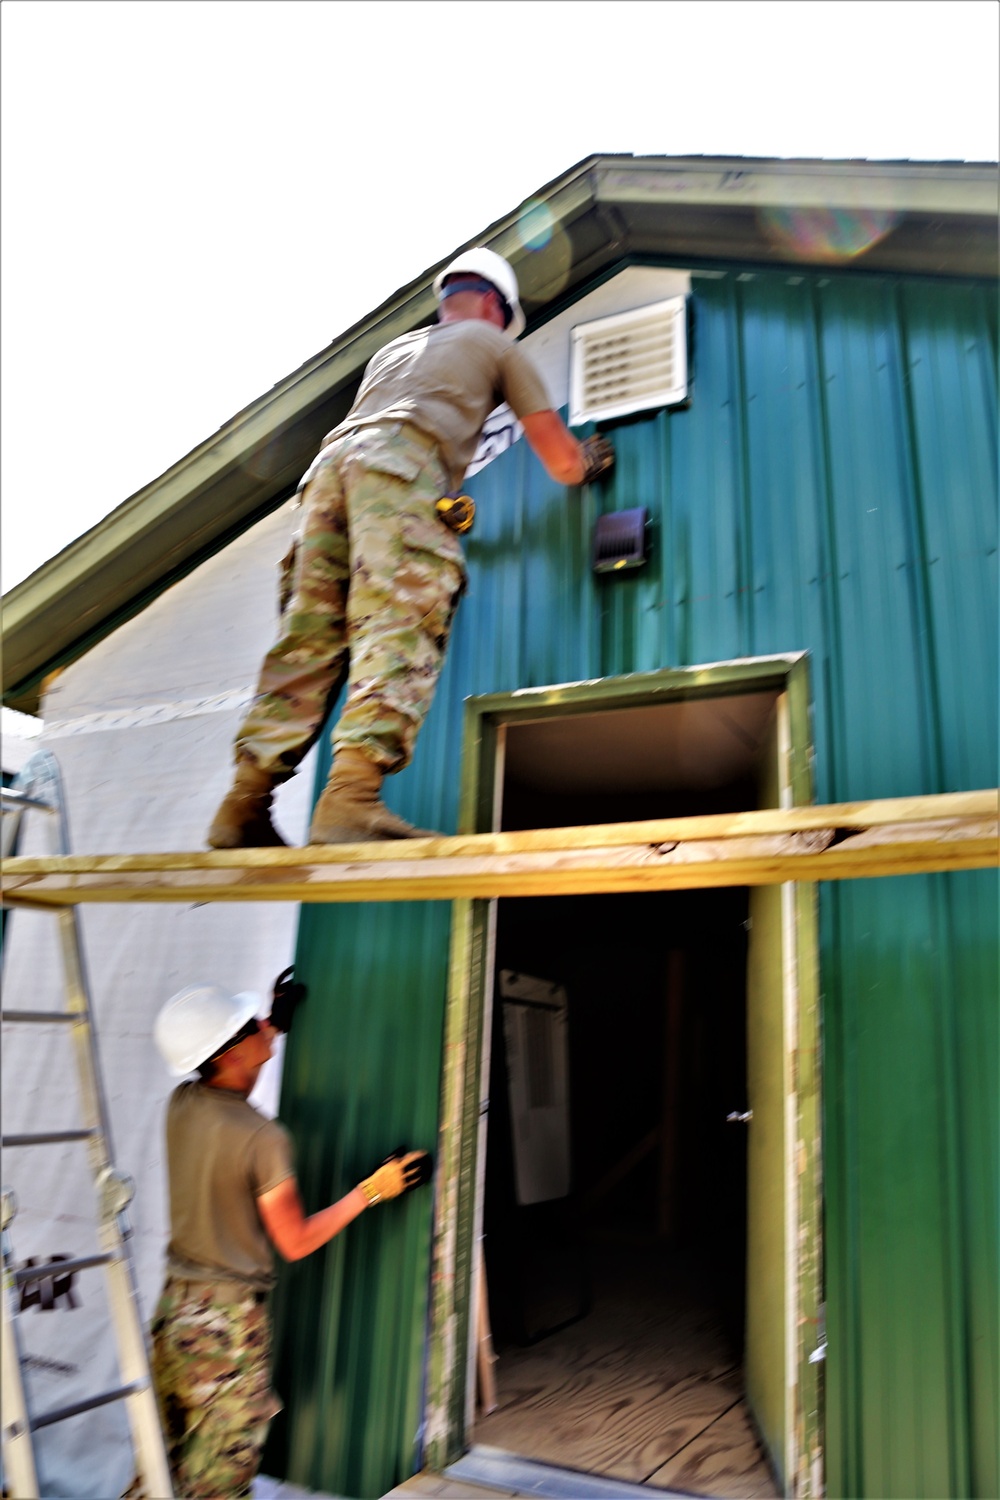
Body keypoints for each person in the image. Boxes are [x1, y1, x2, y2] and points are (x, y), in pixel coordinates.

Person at [207, 247, 614, 850]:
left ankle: (243, 803)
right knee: (398, 620)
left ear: (448, 298)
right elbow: (557, 459)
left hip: (326, 476)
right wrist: (588, 462)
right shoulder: (497, 346)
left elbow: (389, 433)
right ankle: (351, 799)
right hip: (401, 465)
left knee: (311, 637)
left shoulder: (392, 353)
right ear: (498, 308)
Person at [148, 974, 431, 1500]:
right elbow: (296, 1241)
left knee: (161, 1469)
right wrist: (373, 1189)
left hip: (173, 1319)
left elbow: (228, 1064)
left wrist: (273, 1025)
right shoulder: (263, 1138)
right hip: (223, 1332)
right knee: (217, 1484)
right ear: (230, 1054)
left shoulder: (182, 1103)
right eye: (249, 1026)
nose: (262, 1026)